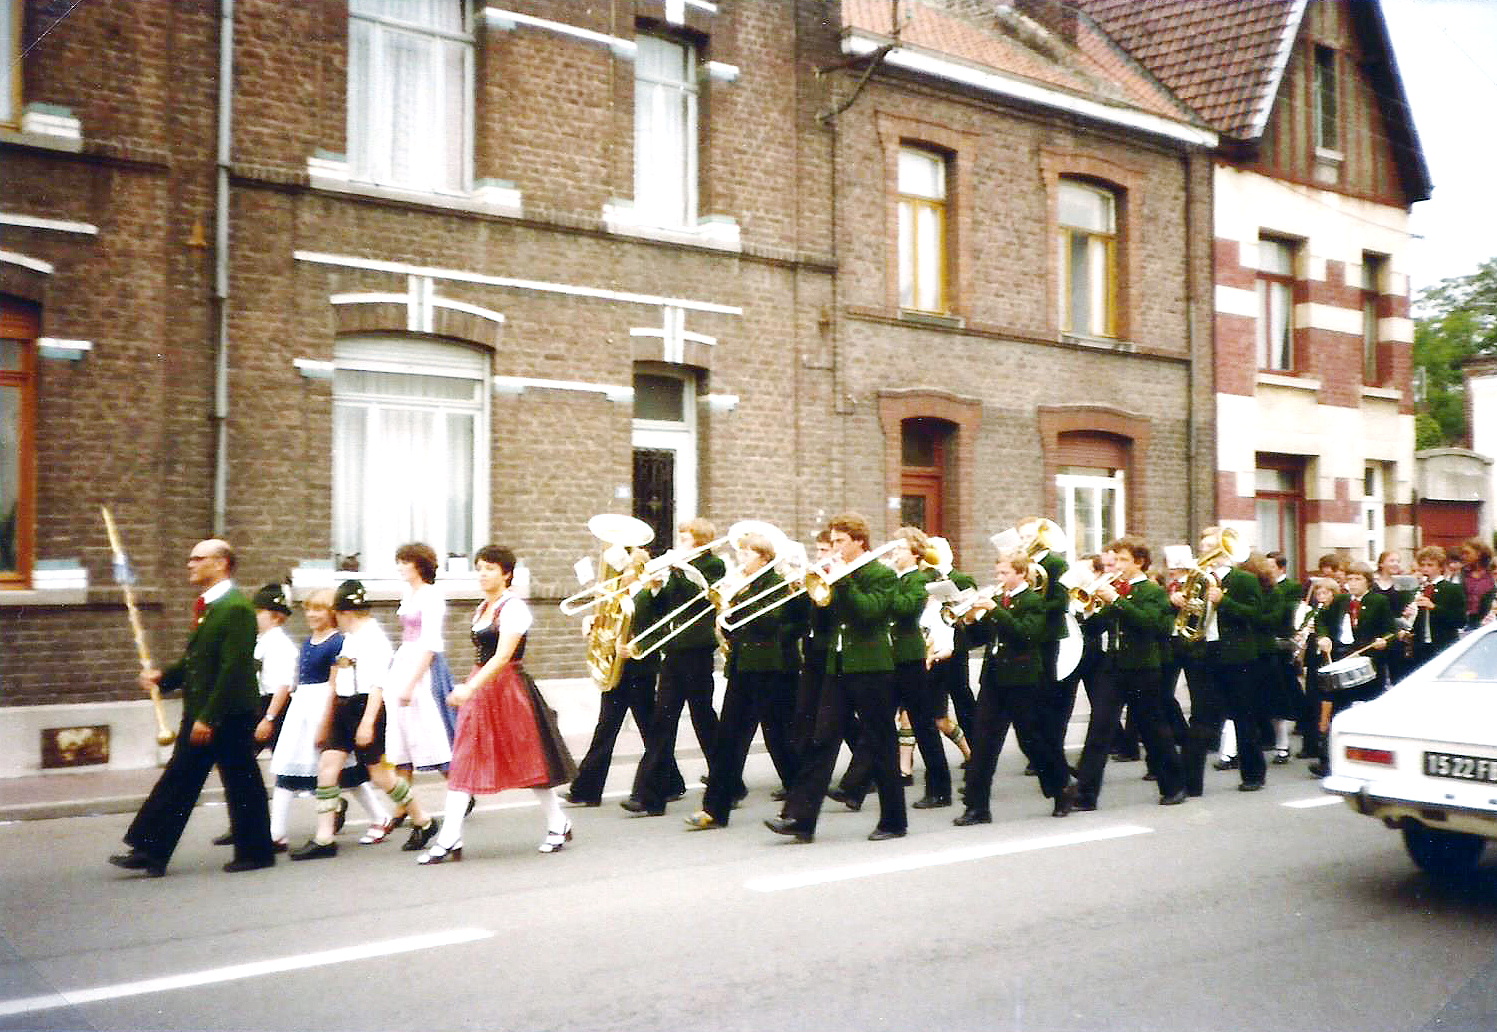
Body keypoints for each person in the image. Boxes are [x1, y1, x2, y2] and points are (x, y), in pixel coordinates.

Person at [110, 539, 276, 878]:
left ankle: (256, 852)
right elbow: (197, 661)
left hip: (225, 713)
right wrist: (164, 678)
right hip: (205, 710)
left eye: (197, 559)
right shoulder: (211, 606)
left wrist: (208, 718)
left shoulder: (236, 609)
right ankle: (149, 850)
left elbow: (233, 669)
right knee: (181, 778)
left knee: (239, 780)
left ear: (221, 564)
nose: (190, 564)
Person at [419, 546, 578, 863]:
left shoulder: (514, 608)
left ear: (506, 573)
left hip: (509, 689)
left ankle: (558, 823)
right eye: (479, 568)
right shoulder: (482, 607)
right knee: (464, 757)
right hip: (483, 688)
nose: (482, 574)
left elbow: (504, 656)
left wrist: (469, 687)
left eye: (489, 568)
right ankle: (450, 836)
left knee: (529, 760)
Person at [767, 513, 906, 843]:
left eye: (841, 542)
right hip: (838, 666)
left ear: (859, 541)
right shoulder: (837, 574)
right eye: (834, 542)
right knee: (821, 741)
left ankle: (894, 821)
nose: (836, 548)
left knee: (882, 743)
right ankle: (800, 819)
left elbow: (869, 613)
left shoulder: (880, 574)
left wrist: (842, 581)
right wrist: (815, 589)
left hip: (872, 669)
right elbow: (826, 622)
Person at [289, 580, 439, 860]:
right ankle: (324, 838)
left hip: (365, 707)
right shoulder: (349, 638)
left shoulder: (374, 639)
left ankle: (423, 820)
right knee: (327, 766)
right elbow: (340, 677)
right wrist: (329, 716)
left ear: (346, 613)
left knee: (380, 774)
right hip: (345, 706)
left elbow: (377, 687)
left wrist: (368, 722)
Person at [953, 551, 1076, 825]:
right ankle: (976, 808)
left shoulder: (1033, 600)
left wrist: (995, 611)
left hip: (1024, 680)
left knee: (1032, 740)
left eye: (1005, 573)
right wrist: (971, 620)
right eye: (998, 573)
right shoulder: (998, 601)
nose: (999, 579)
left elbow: (1026, 634)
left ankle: (1060, 789)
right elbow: (979, 640)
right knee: (983, 744)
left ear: (1021, 574)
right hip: (994, 679)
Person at [266, 588, 390, 851]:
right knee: (291, 769)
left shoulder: (338, 642)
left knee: (344, 773)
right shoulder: (309, 640)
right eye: (308, 608)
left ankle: (379, 815)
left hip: (323, 707)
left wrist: (326, 720)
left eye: (319, 609)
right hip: (302, 708)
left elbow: (336, 685)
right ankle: (276, 832)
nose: (312, 614)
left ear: (333, 613)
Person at [685, 532, 794, 830]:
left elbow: (770, 622)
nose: (740, 559)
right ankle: (714, 810)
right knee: (728, 740)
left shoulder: (776, 584)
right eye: (740, 554)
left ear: (764, 558)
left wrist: (737, 604)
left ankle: (799, 806)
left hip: (769, 670)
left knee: (780, 739)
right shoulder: (742, 586)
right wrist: (725, 619)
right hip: (742, 668)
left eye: (746, 554)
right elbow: (737, 630)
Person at [1071, 538, 1187, 810]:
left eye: (1123, 560)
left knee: (1154, 729)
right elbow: (1097, 627)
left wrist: (1117, 602)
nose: (1117, 566)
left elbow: (1152, 625)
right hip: (1113, 668)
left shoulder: (1151, 591)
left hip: (1143, 669)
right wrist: (1088, 610)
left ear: (1139, 562)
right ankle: (1085, 795)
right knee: (1098, 730)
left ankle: (1174, 785)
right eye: (1116, 560)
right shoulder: (1116, 590)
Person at [567, 548, 686, 806]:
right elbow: (610, 625)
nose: (623, 574)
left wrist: (637, 647)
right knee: (607, 727)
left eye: (629, 568)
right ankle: (587, 789)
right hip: (617, 668)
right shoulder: (614, 596)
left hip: (640, 669)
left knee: (649, 728)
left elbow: (662, 629)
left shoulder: (652, 595)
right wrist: (593, 624)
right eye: (622, 568)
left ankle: (669, 782)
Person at [622, 519, 726, 817]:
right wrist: (655, 588)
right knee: (661, 722)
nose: (680, 542)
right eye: (680, 536)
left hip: (696, 651)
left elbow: (697, 598)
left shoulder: (713, 565)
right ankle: (648, 797)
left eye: (686, 538)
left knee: (703, 721)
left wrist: (675, 569)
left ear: (700, 540)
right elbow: (663, 607)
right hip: (673, 652)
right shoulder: (678, 569)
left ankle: (727, 781)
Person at [1177, 527, 1266, 795]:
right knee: (1201, 718)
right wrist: (1182, 604)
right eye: (1203, 547)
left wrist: (1224, 601)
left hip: (1237, 656)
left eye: (1209, 547)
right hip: (1205, 653)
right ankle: (1191, 783)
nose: (1204, 552)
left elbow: (1257, 616)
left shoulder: (1244, 580)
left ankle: (1253, 774)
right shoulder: (1197, 579)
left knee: (1244, 716)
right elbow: (1192, 618)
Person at [385, 543, 454, 784]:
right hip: (405, 658)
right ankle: (404, 803)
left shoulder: (431, 595)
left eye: (406, 562)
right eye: (400, 562)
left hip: (424, 665)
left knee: (430, 731)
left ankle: (460, 789)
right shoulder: (408, 593)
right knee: (401, 732)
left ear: (420, 565)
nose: (400, 567)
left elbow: (431, 643)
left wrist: (411, 684)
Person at [1403, 545, 1465, 673]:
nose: (1425, 569)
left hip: (1443, 644)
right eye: (1422, 565)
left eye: (1430, 565)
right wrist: (1409, 616)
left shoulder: (1452, 589)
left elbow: (1460, 621)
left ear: (1441, 567)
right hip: (1420, 647)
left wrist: (1433, 607)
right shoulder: (1418, 589)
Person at [1458, 539, 1496, 630]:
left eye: (1467, 553)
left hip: (1488, 621)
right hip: (1465, 622)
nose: (1463, 556)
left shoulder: (1491, 574)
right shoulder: (1461, 574)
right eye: (1462, 553)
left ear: (1479, 554)